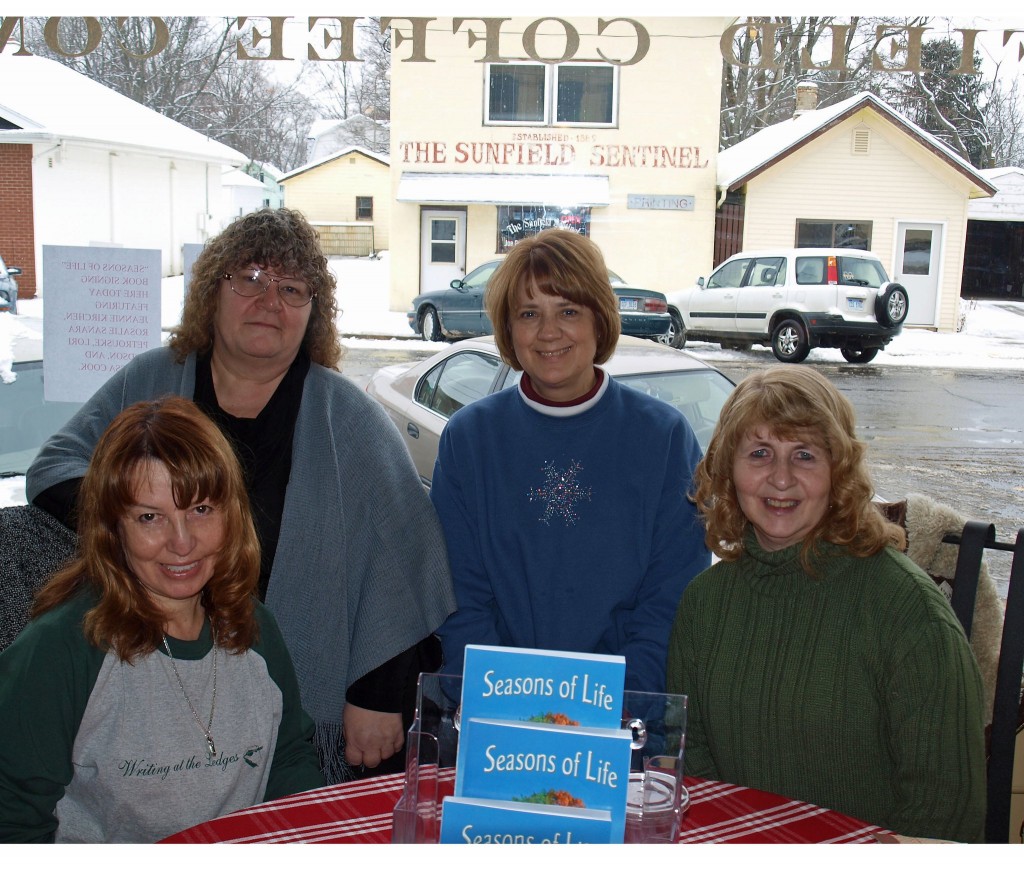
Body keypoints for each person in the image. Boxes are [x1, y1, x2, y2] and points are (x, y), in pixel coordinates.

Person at [26, 208, 455, 783]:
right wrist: (132, 518)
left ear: (313, 311)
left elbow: (402, 566)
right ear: (212, 291)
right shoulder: (149, 382)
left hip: (306, 710)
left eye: (291, 288)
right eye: (250, 279)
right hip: (154, 692)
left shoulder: (350, 419)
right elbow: (54, 468)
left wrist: (378, 695)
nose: (269, 301)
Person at [666, 365, 986, 842]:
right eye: (759, 453)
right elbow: (694, 768)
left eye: (804, 454)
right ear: (728, 470)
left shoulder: (908, 612)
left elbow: (945, 812)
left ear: (839, 471)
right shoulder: (703, 605)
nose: (781, 478)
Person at [0, 397, 325, 842]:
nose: (182, 543)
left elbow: (287, 760)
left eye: (201, 510)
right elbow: (12, 819)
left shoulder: (254, 626)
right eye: (150, 517)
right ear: (112, 529)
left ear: (231, 514)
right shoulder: (60, 650)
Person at [432, 228, 708, 695]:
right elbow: (459, 599)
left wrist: (612, 706)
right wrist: (507, 703)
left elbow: (670, 605)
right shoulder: (469, 440)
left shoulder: (663, 439)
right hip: (498, 708)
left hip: (622, 713)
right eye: (529, 313)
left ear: (600, 320)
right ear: (508, 329)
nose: (548, 332)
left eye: (569, 311)